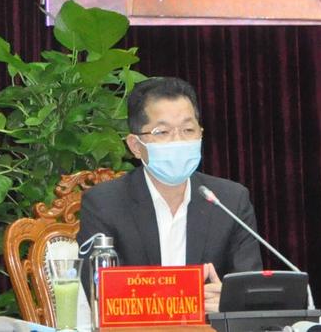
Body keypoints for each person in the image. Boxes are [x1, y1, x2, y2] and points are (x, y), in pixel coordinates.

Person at [78, 77, 263, 314]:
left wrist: (230, 301)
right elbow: (102, 294)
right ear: (135, 146)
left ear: (200, 134)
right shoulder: (104, 203)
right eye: (163, 131)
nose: (178, 141)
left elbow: (249, 291)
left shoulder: (230, 200)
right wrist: (190, 300)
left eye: (188, 130)